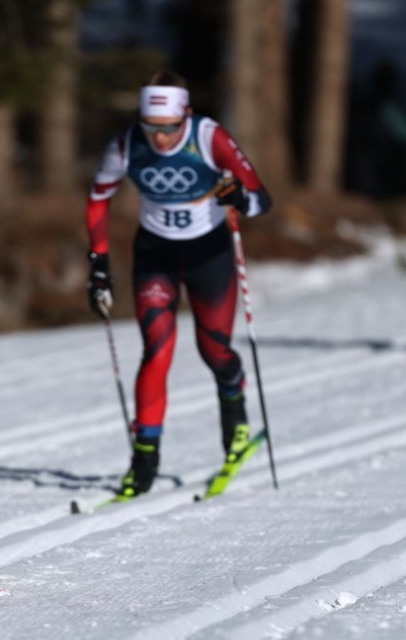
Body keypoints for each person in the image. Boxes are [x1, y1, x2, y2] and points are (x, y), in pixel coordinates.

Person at [84, 70, 272, 497]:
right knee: (156, 347)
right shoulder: (127, 143)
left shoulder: (209, 137)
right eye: (152, 127)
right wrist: (98, 263)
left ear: (185, 117)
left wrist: (240, 198)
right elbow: (98, 198)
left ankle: (236, 423)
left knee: (214, 348)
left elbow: (262, 198)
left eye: (169, 129)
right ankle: (144, 458)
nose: (161, 139)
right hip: (156, 255)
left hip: (210, 254)